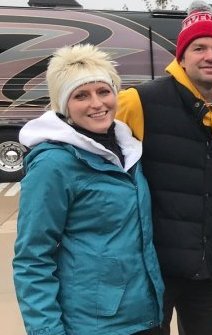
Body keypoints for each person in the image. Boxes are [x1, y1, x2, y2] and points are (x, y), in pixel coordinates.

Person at [116, 2, 212, 333]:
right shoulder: (137, 101)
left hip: (210, 270)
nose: (210, 56)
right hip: (151, 269)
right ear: (181, 57)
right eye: (199, 47)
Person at [13, 44, 164, 335]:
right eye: (81, 95)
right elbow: (33, 258)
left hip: (146, 314)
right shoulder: (53, 164)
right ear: (63, 104)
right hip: (93, 324)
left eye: (104, 91)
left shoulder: (128, 150)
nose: (97, 103)